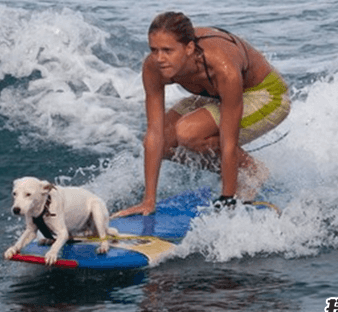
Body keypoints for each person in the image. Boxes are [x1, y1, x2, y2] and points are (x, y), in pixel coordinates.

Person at [112, 12, 290, 217]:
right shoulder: (154, 67)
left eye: (167, 51)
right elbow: (154, 134)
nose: (159, 59)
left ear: (188, 48)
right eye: (154, 50)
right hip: (216, 94)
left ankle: (251, 171)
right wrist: (148, 201)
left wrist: (227, 199)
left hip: (266, 96)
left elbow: (228, 140)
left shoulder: (222, 67)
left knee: (188, 132)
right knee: (166, 143)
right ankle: (236, 170)